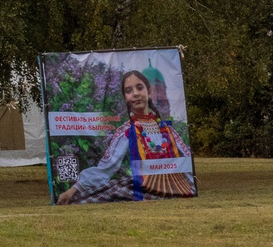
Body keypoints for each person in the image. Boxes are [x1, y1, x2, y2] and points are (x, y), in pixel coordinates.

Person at [64, 67, 195, 202]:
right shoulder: (127, 131)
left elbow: (186, 162)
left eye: (139, 88)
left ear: (149, 93)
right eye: (129, 91)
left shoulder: (167, 129)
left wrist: (191, 187)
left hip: (175, 188)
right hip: (142, 189)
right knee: (88, 199)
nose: (135, 94)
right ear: (125, 98)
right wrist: (73, 190)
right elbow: (106, 168)